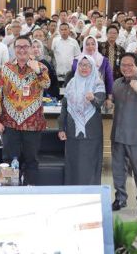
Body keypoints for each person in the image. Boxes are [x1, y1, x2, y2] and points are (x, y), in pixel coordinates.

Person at [0, 36, 50, 185]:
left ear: (31, 48)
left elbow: (46, 84)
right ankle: (9, 193)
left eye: (25, 46)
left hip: (33, 124)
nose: (22, 49)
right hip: (9, 124)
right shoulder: (4, 68)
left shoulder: (41, 67)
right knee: (8, 160)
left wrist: (37, 70)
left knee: (31, 161)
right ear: (14, 49)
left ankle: (30, 194)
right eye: (19, 47)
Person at [111, 52, 137, 217]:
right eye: (123, 65)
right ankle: (120, 197)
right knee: (118, 170)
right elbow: (111, 103)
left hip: (136, 135)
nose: (126, 68)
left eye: (130, 65)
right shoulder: (117, 83)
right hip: (118, 134)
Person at [58, 55, 106, 185]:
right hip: (72, 131)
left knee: (90, 164)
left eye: (87, 65)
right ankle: (73, 195)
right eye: (81, 65)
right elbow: (64, 107)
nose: (83, 68)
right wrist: (61, 128)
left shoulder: (98, 83)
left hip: (91, 133)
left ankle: (90, 195)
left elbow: (100, 103)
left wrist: (93, 99)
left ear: (92, 68)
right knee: (73, 164)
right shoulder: (71, 83)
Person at [71, 36, 114, 105]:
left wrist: (109, 97)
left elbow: (109, 79)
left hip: (99, 95)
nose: (90, 46)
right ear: (84, 46)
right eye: (87, 44)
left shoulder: (103, 60)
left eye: (93, 44)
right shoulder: (77, 61)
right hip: (80, 96)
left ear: (96, 45)